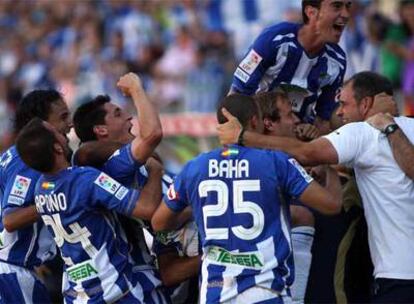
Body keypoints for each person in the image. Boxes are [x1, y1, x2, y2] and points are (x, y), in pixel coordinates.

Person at [217, 71, 414, 302]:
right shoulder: (397, 130)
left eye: (344, 104)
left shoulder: (363, 133)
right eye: (290, 114)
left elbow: (309, 155)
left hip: (397, 276)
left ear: (366, 104)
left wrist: (242, 137)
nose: (339, 111)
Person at [151, 94, 342, 303]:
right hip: (265, 292)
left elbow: (159, 223)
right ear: (254, 121)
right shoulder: (277, 163)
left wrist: (198, 209)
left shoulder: (194, 168)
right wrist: (330, 166)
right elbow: (331, 205)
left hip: (215, 294)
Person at [73, 73, 200, 302]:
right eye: (118, 114)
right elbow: (153, 133)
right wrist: (136, 88)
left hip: (189, 232)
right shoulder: (114, 166)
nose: (129, 117)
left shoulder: (135, 159)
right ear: (101, 130)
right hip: (191, 234)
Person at [15, 118, 165, 303]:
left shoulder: (41, 187)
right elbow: (146, 208)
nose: (65, 135)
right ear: (58, 148)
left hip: (77, 295)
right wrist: (155, 172)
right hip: (115, 293)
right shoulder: (85, 179)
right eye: (58, 134)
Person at [230, 0, 352, 131]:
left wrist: (313, 133)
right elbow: (236, 96)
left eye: (348, 6)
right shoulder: (274, 39)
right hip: (257, 132)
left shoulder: (337, 61)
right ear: (311, 12)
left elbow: (323, 121)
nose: (346, 14)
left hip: (296, 141)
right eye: (337, 6)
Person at [0, 90, 72, 303]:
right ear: (42, 125)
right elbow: (11, 219)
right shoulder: (29, 159)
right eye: (63, 117)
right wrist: (55, 198)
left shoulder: (12, 156)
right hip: (12, 275)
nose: (70, 124)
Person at [254, 90, 318, 304]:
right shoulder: (277, 161)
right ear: (269, 123)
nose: (297, 119)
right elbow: (332, 204)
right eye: (290, 114)